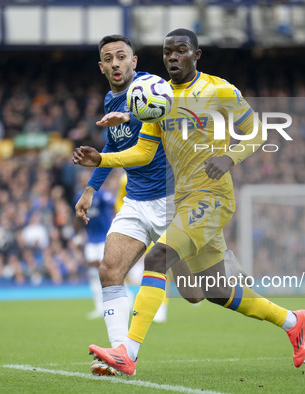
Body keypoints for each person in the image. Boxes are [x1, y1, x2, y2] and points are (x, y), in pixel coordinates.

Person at [73, 28, 305, 376]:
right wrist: (102, 161)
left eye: (180, 51)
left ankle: (128, 351)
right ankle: (293, 321)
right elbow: (142, 150)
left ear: (196, 55)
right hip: (180, 200)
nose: (172, 57)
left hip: (211, 197)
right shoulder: (162, 97)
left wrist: (229, 157)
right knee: (212, 291)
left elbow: (258, 130)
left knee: (158, 257)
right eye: (168, 52)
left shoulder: (219, 89)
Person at [74, 34, 203, 376]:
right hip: (136, 200)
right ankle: (119, 355)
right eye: (109, 58)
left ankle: (288, 317)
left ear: (134, 62)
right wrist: (90, 189)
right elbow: (113, 145)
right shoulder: (110, 100)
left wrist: (131, 119)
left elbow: (170, 114)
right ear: (101, 66)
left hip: (172, 200)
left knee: (197, 292)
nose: (116, 63)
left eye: (121, 56)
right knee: (109, 270)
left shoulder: (152, 86)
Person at [75, 169, 116, 319]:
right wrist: (79, 234)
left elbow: (114, 209)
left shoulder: (103, 195)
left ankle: (125, 298)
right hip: (91, 240)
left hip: (105, 237)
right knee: (94, 273)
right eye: (82, 179)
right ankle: (99, 307)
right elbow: (77, 217)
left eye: (87, 178)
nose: (84, 182)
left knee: (109, 271)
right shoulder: (78, 197)